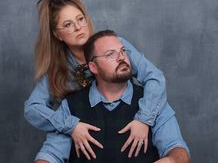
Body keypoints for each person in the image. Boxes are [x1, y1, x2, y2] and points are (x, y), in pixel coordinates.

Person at [24, 0, 167, 161]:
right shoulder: (57, 70)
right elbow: (32, 108)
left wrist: (144, 119)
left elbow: (155, 78)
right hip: (87, 137)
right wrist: (71, 125)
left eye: (80, 19)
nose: (78, 27)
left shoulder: (114, 45)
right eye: (68, 24)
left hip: (126, 122)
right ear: (57, 34)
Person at [35, 30, 190, 163]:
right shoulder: (71, 106)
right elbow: (51, 155)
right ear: (93, 67)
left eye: (123, 51)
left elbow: (177, 149)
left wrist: (171, 160)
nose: (121, 57)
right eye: (110, 54)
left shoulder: (152, 101)